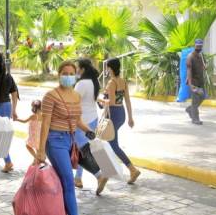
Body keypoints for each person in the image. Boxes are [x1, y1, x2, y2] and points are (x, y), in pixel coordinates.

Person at [36, 61, 96, 215]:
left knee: (64, 182)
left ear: (76, 75)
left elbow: (77, 120)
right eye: (65, 73)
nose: (68, 77)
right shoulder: (51, 96)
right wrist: (41, 151)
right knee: (69, 182)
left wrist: (89, 131)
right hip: (55, 141)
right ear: (59, 75)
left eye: (71, 74)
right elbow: (45, 124)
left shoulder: (76, 96)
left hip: (71, 140)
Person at [99, 58, 140, 184]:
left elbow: (110, 102)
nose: (106, 70)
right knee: (109, 143)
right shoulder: (123, 82)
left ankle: (130, 169)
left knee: (107, 143)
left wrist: (98, 99)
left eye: (107, 67)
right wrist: (130, 117)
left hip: (113, 114)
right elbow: (127, 100)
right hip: (120, 113)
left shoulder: (112, 83)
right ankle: (118, 170)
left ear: (110, 68)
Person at [73, 58, 108, 194]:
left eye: (77, 68)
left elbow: (73, 101)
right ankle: (78, 178)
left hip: (82, 121)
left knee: (82, 150)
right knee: (84, 150)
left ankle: (99, 175)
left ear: (82, 69)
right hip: (93, 118)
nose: (76, 70)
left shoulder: (81, 84)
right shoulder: (94, 82)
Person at [185, 39, 207, 125]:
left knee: (202, 97)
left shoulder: (200, 55)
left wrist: (205, 66)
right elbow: (189, 72)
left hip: (200, 81)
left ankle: (190, 109)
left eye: (200, 46)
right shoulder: (190, 57)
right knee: (195, 100)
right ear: (195, 46)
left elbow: (203, 65)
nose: (199, 47)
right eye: (198, 46)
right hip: (193, 82)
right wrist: (191, 85)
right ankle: (195, 118)